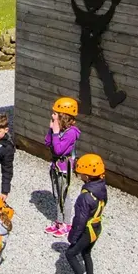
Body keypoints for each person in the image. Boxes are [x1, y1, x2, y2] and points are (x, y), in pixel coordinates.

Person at [65, 153, 107, 274]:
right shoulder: (101, 187)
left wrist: (72, 237)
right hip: (96, 227)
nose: (80, 175)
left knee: (70, 253)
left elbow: (79, 220)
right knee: (86, 252)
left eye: (81, 173)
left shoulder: (85, 196)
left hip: (87, 230)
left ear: (87, 176)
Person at [46, 96, 80, 235]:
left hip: (64, 168)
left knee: (63, 195)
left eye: (55, 114)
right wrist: (51, 130)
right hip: (56, 166)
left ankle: (66, 223)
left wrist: (55, 133)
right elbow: (48, 143)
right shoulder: (58, 129)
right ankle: (59, 221)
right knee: (56, 194)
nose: (52, 115)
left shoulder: (71, 133)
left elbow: (59, 149)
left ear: (63, 116)